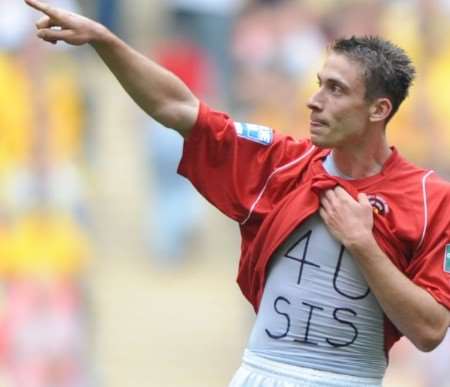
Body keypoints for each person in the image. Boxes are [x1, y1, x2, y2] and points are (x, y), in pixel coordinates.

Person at [23, 1, 450, 386]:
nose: (314, 101)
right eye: (319, 83)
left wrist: (363, 243)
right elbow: (179, 108)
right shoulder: (281, 164)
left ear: (379, 110)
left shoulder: (432, 199)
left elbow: (430, 331)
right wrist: (105, 40)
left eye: (335, 90)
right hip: (260, 372)